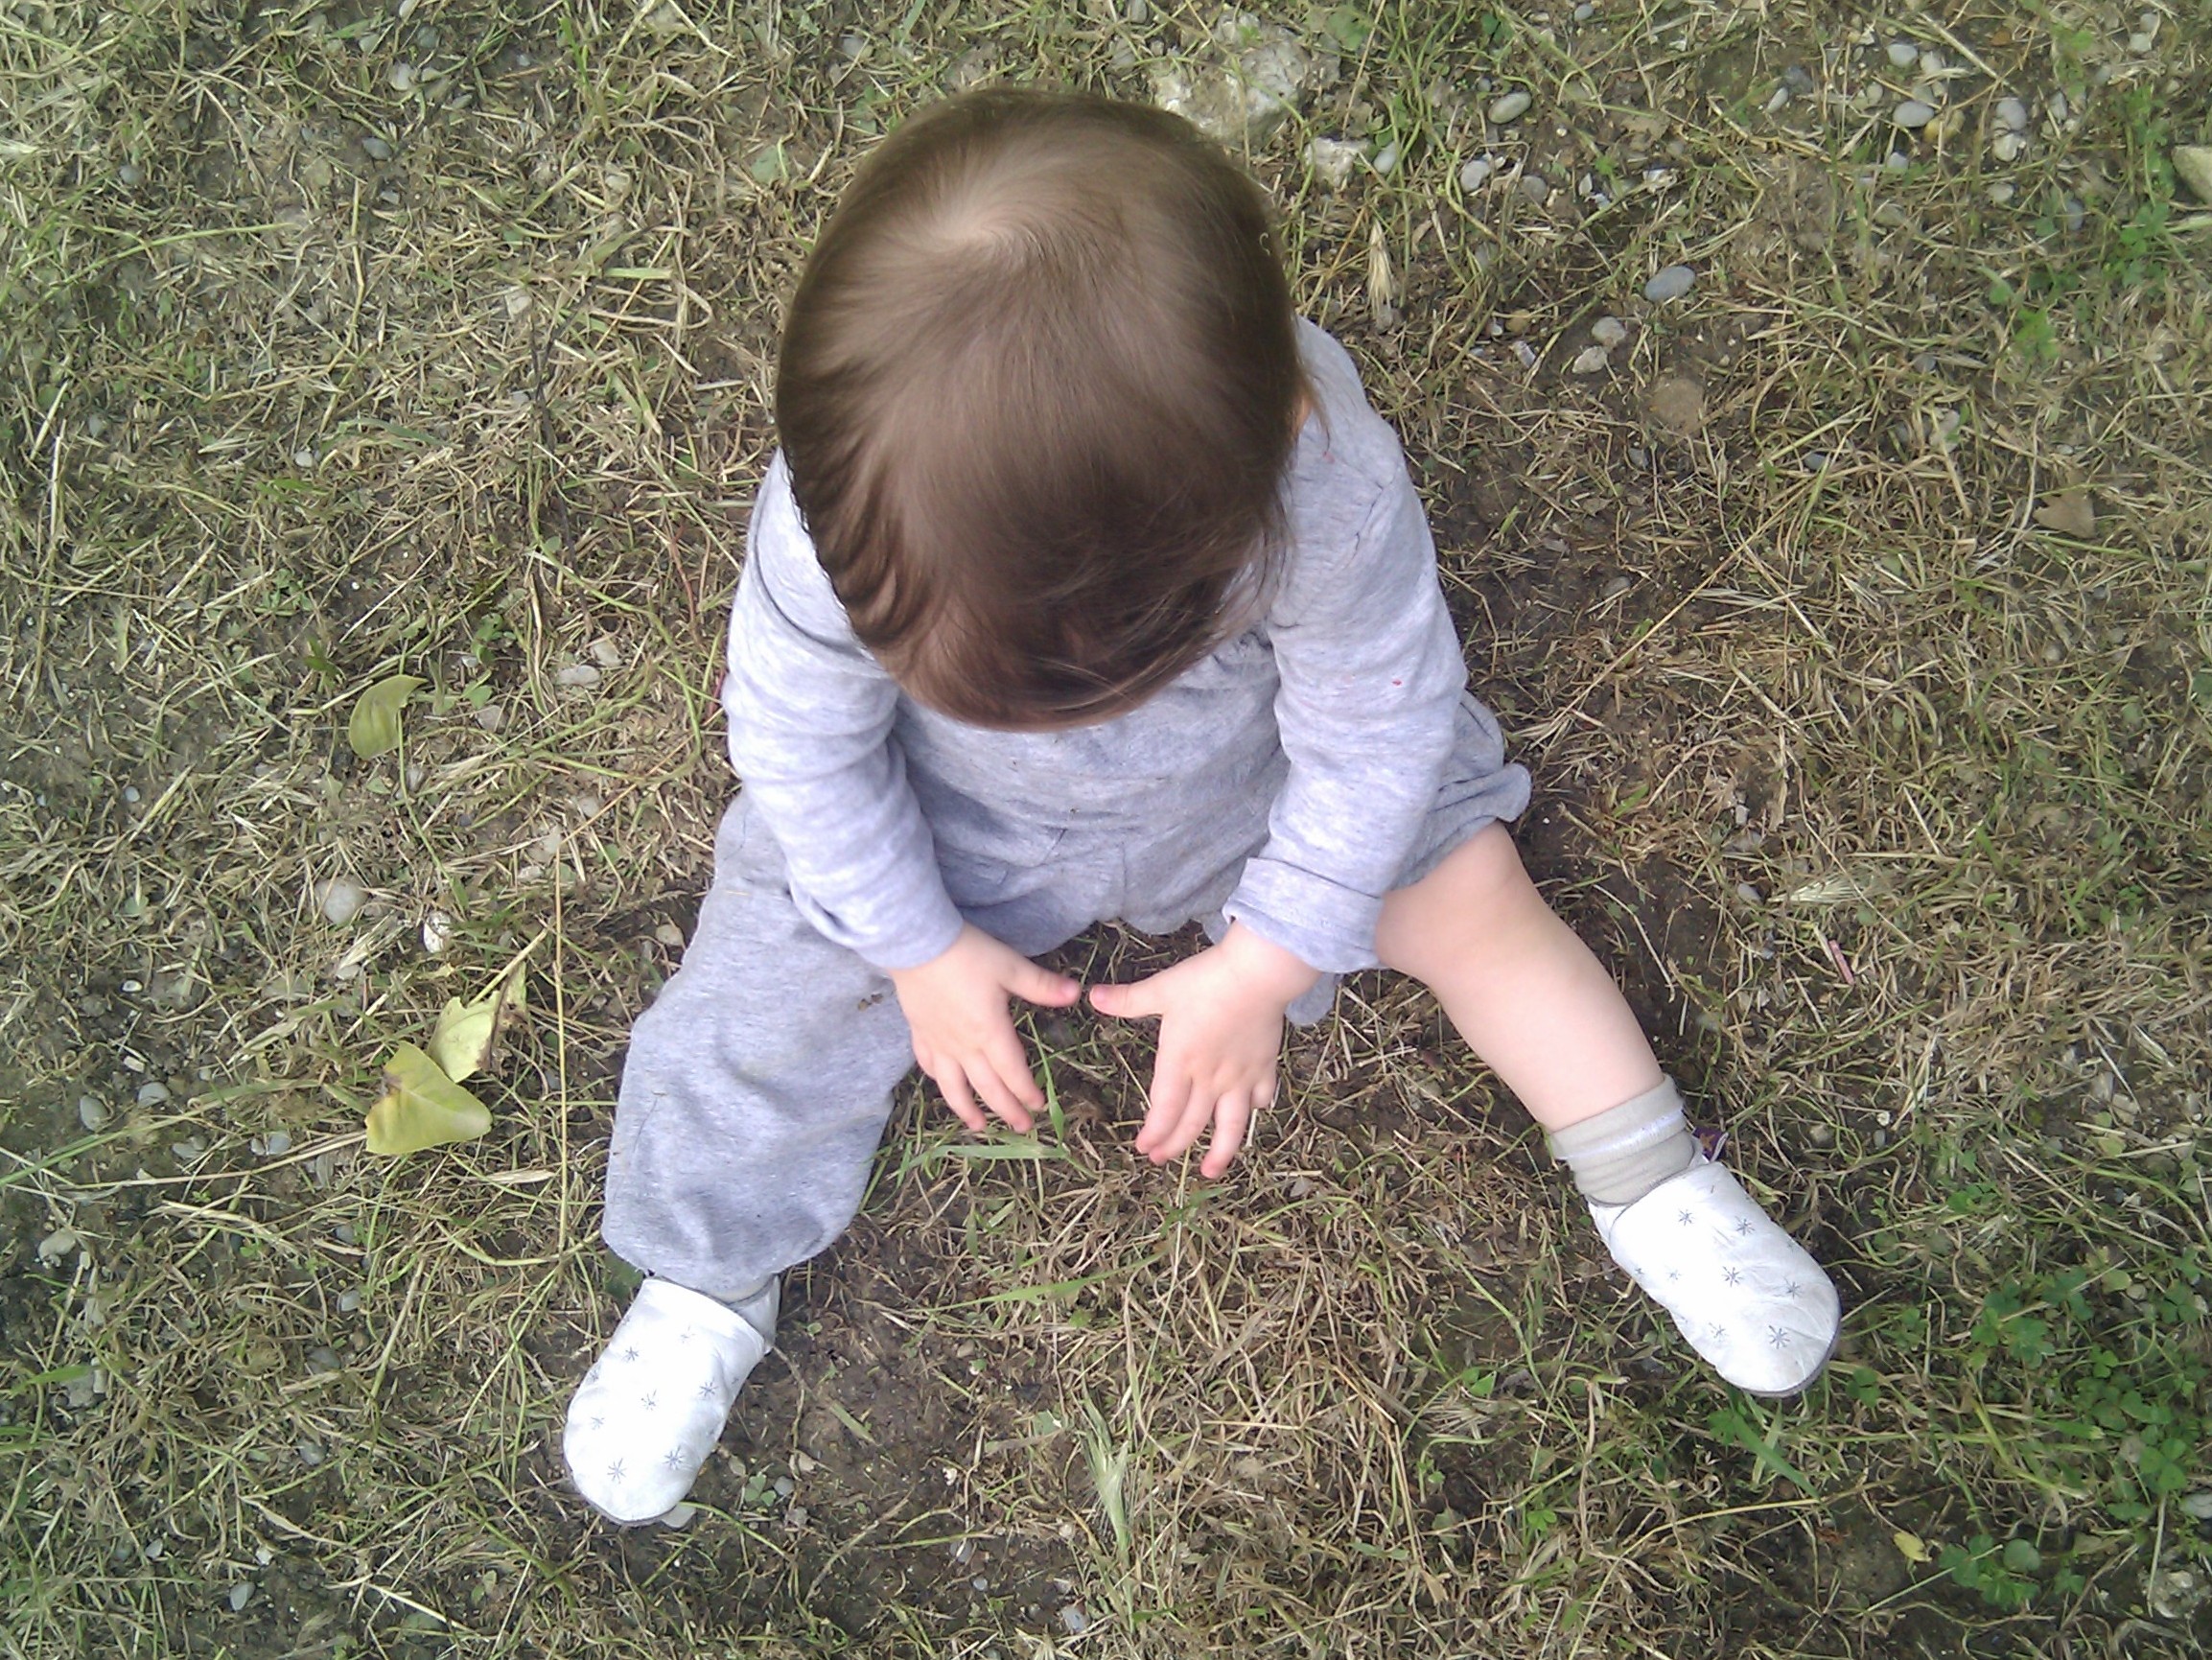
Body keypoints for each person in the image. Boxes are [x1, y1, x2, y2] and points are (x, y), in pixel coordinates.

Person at [563, 88, 1839, 1526]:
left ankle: (1649, 1175)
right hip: (948, 812)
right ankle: (704, 1274)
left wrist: (1271, 957)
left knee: (1474, 897)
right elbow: (797, 747)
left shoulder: (1317, 475)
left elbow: (1376, 727)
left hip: (1267, 777)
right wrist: (915, 944)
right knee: (776, 968)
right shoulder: (842, 514)